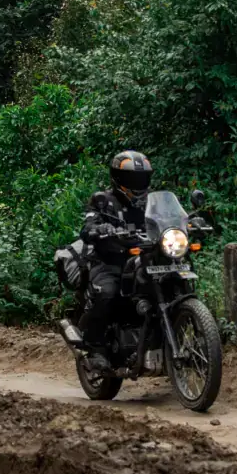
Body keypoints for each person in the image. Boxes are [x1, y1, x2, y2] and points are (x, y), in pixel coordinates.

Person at [61, 150, 153, 352]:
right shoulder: (103, 201)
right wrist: (100, 228)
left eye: (141, 178)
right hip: (109, 261)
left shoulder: (151, 202)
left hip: (144, 259)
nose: (137, 184)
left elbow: (166, 218)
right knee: (108, 293)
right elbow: (87, 227)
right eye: (132, 179)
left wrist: (188, 223)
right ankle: (93, 344)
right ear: (117, 178)